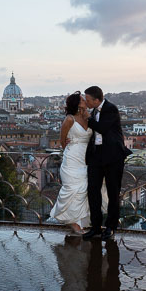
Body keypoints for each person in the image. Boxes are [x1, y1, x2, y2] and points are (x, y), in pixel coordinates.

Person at [50, 92, 107, 234]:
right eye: (82, 99)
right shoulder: (69, 119)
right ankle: (73, 222)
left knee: (84, 189)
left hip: (86, 158)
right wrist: (71, 147)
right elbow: (62, 141)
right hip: (72, 159)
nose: (85, 101)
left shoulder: (88, 117)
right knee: (72, 189)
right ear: (76, 103)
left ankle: (80, 220)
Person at [82, 86, 133, 241]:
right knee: (93, 192)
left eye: (88, 99)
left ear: (97, 99)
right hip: (96, 156)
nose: (86, 102)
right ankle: (95, 227)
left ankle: (110, 227)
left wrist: (87, 118)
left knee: (113, 192)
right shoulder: (94, 111)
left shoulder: (111, 109)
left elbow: (102, 128)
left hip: (113, 157)